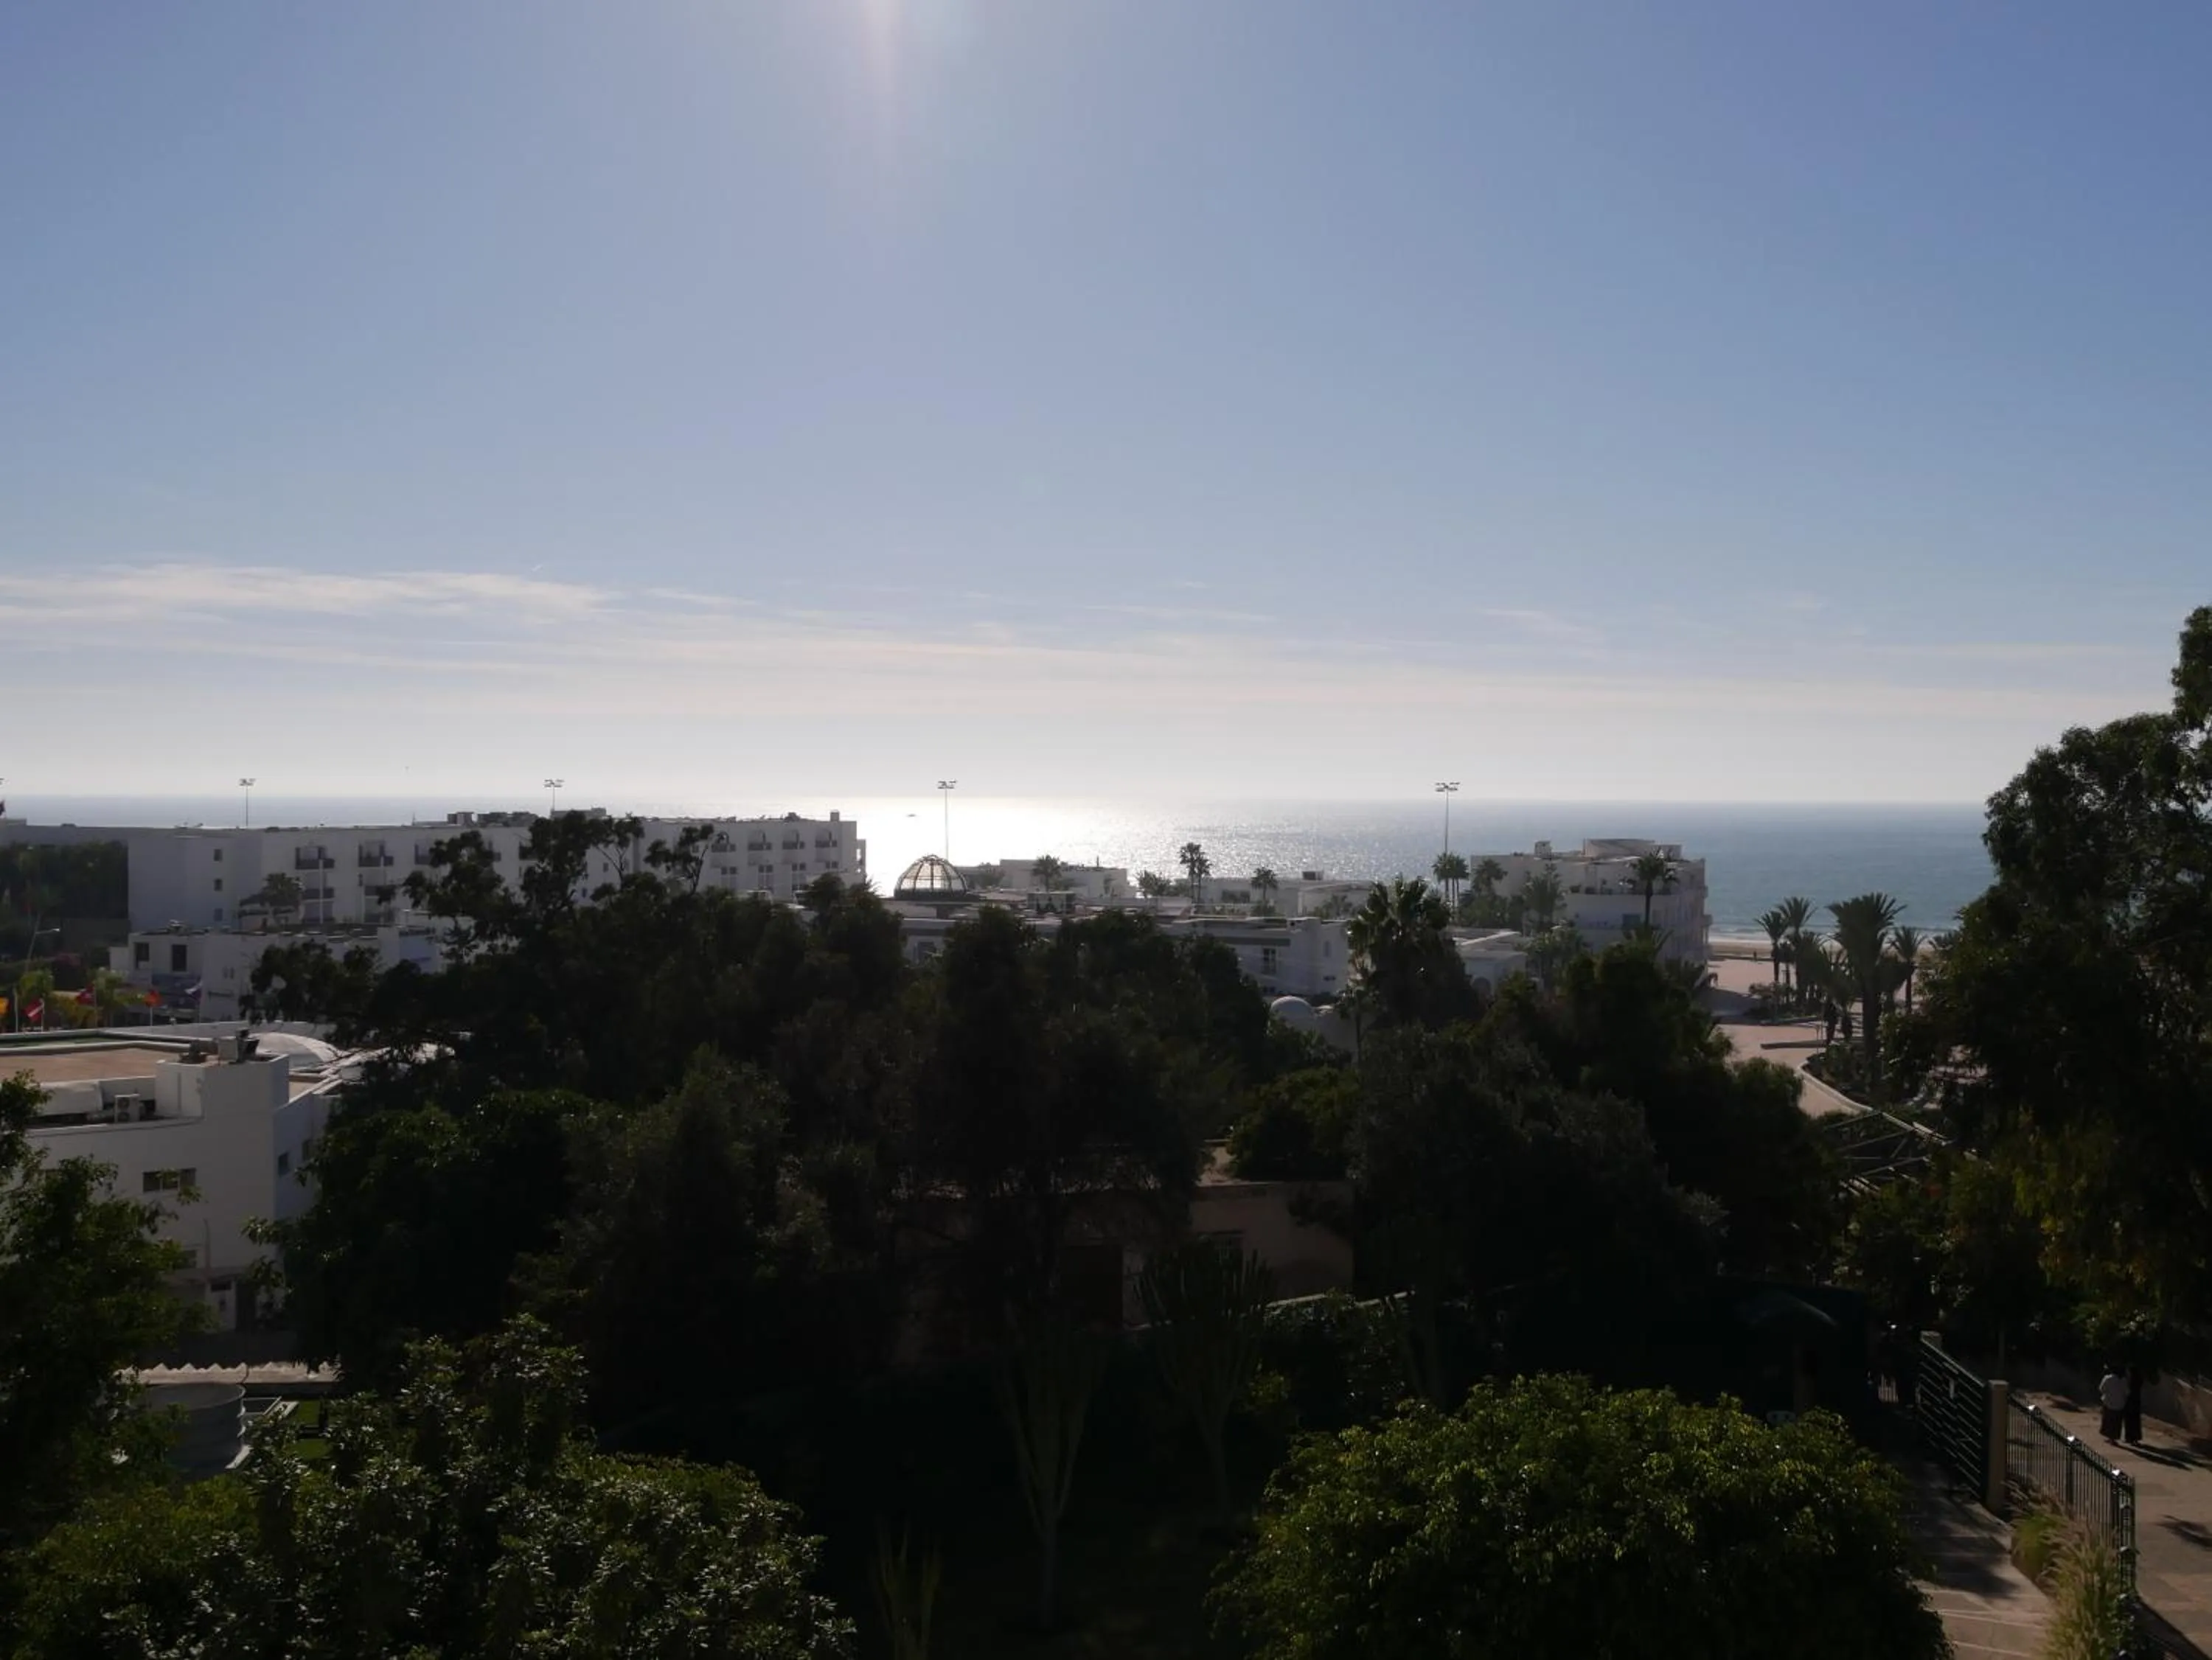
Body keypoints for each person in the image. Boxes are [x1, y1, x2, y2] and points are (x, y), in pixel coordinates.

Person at [2098, 1364, 2128, 1442]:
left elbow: (2102, 1389)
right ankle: (2113, 1438)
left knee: (2108, 1421)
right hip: (2120, 1405)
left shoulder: (2108, 1378)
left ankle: (2110, 1437)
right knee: (2116, 1423)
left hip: (2109, 1403)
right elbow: (2127, 1392)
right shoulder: (2124, 1380)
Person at [2125, 1365, 2146, 1446]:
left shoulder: (2129, 1381)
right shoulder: (2138, 1380)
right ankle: (2135, 1439)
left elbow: (2126, 1391)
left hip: (2130, 1402)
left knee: (2129, 1421)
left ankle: (2130, 1438)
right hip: (2136, 1402)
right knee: (2136, 1421)